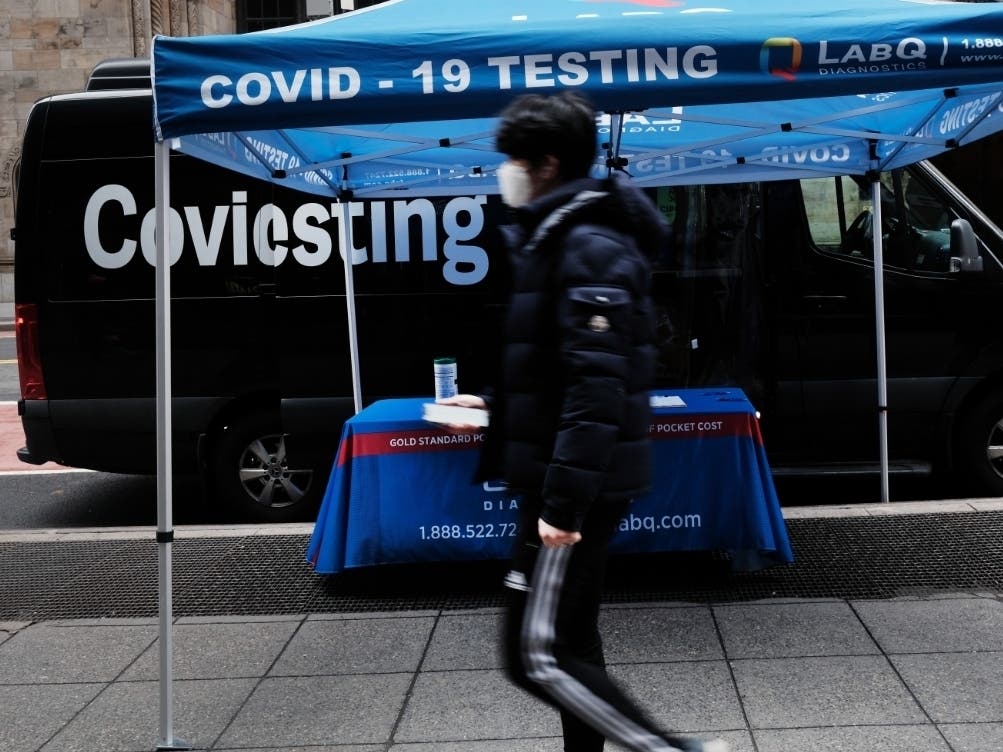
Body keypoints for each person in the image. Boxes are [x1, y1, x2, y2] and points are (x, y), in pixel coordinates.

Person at [441, 91, 730, 752]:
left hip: (566, 485)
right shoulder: (561, 237)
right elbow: (553, 367)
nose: (504, 171)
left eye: (513, 158)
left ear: (546, 162)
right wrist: (491, 406)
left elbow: (596, 386)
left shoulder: (586, 246)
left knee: (534, 655)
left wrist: (562, 506)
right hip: (562, 475)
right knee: (569, 640)